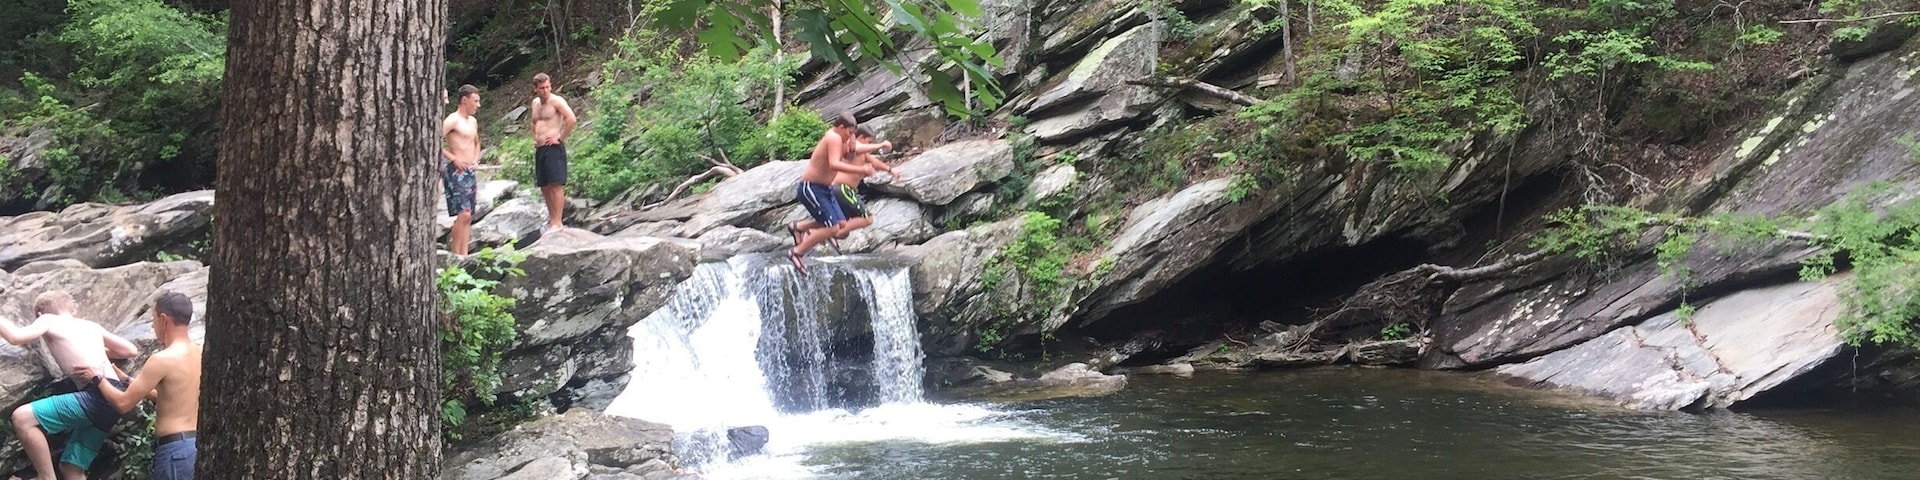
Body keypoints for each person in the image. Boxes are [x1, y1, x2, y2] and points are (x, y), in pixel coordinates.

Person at [3, 291, 138, 480]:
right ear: (72, 310)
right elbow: (130, 350)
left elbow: (15, 337)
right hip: (115, 397)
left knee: (22, 418)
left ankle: (45, 477)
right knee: (71, 468)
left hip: (96, 395)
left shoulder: (48, 319)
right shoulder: (90, 326)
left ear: (40, 314)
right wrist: (97, 350)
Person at [84, 291, 200, 480]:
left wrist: (97, 378)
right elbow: (167, 396)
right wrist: (127, 380)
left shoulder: (162, 359)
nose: (153, 327)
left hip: (174, 451)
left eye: (153, 320)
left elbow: (123, 404)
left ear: (163, 319)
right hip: (195, 446)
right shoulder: (200, 353)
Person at [785, 112, 875, 275]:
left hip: (825, 189)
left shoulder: (841, 139)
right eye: (849, 132)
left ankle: (799, 227)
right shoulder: (833, 137)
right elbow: (834, 164)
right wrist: (861, 169)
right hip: (812, 187)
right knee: (833, 228)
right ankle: (796, 252)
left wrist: (851, 146)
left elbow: (847, 156)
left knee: (841, 227)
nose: (851, 136)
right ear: (841, 127)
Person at [528, 72, 578, 234]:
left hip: (553, 147)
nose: (546, 90)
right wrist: (534, 138)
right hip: (540, 148)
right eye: (542, 88)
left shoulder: (556, 101)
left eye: (548, 87)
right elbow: (533, 122)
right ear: (535, 88)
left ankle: (558, 222)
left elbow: (571, 119)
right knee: (544, 185)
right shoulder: (535, 103)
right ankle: (551, 220)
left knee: (555, 184)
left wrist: (560, 137)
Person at [830, 125, 897, 245]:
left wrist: (890, 170)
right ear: (860, 137)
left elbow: (874, 162)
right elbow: (858, 147)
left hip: (842, 190)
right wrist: (881, 145)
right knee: (867, 218)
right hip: (842, 189)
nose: (870, 146)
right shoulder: (852, 147)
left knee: (844, 230)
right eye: (869, 142)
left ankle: (818, 234)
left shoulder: (862, 153)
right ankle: (831, 233)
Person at [442, 84, 483, 255]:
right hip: (455, 171)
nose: (478, 105)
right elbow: (432, 140)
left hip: (469, 171)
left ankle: (464, 253)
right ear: (464, 100)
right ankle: (456, 254)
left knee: (469, 215)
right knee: (463, 214)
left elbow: (477, 143)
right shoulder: (452, 120)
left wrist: (476, 158)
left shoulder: (472, 121)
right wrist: (453, 158)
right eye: (476, 101)